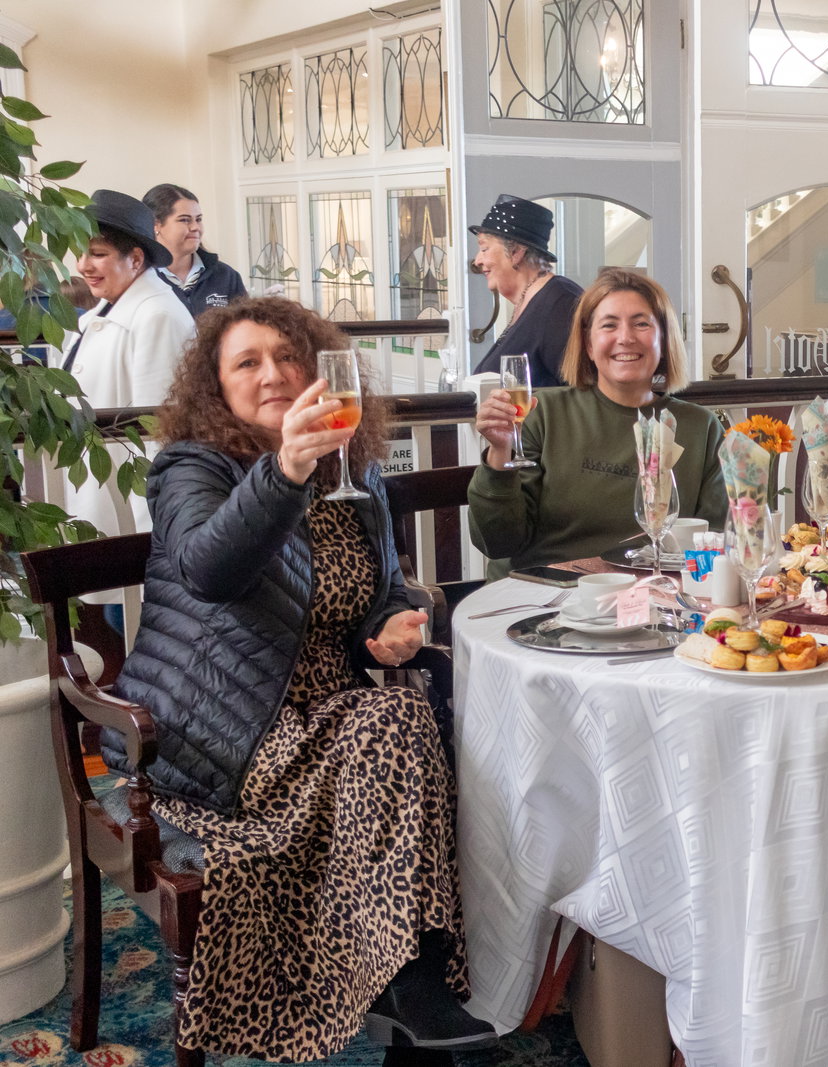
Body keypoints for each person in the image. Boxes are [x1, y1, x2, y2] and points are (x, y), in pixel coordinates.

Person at [107, 298, 496, 1062]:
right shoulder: (191, 468)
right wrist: (285, 469)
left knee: (410, 728)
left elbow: (381, 588)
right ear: (215, 385)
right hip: (226, 730)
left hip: (334, 716)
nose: (273, 373)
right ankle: (412, 985)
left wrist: (392, 622)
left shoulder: (357, 470)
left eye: (288, 356)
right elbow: (209, 570)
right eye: (247, 362)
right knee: (396, 730)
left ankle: (412, 1000)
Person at [468, 267, 727, 578]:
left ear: (664, 339)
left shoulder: (701, 427)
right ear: (589, 344)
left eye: (641, 324)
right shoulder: (541, 413)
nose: (626, 338)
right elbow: (498, 543)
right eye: (609, 325)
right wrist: (499, 453)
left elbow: (716, 545)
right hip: (545, 593)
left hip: (656, 596)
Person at [62, 189, 196, 631]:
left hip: (136, 508)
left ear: (135, 259)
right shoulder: (105, 311)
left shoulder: (157, 315)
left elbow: (160, 433)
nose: (84, 265)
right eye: (82, 253)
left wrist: (152, 535)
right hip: (104, 496)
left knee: (138, 623)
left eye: (98, 254)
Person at [467, 194, 583, 383]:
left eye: (484, 249)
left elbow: (578, 389)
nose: (477, 260)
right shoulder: (530, 299)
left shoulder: (561, 305)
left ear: (516, 252)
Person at [142, 183, 248, 317]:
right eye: (184, 220)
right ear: (156, 225)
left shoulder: (226, 276)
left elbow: (247, 325)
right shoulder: (141, 279)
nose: (195, 227)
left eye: (198, 219)